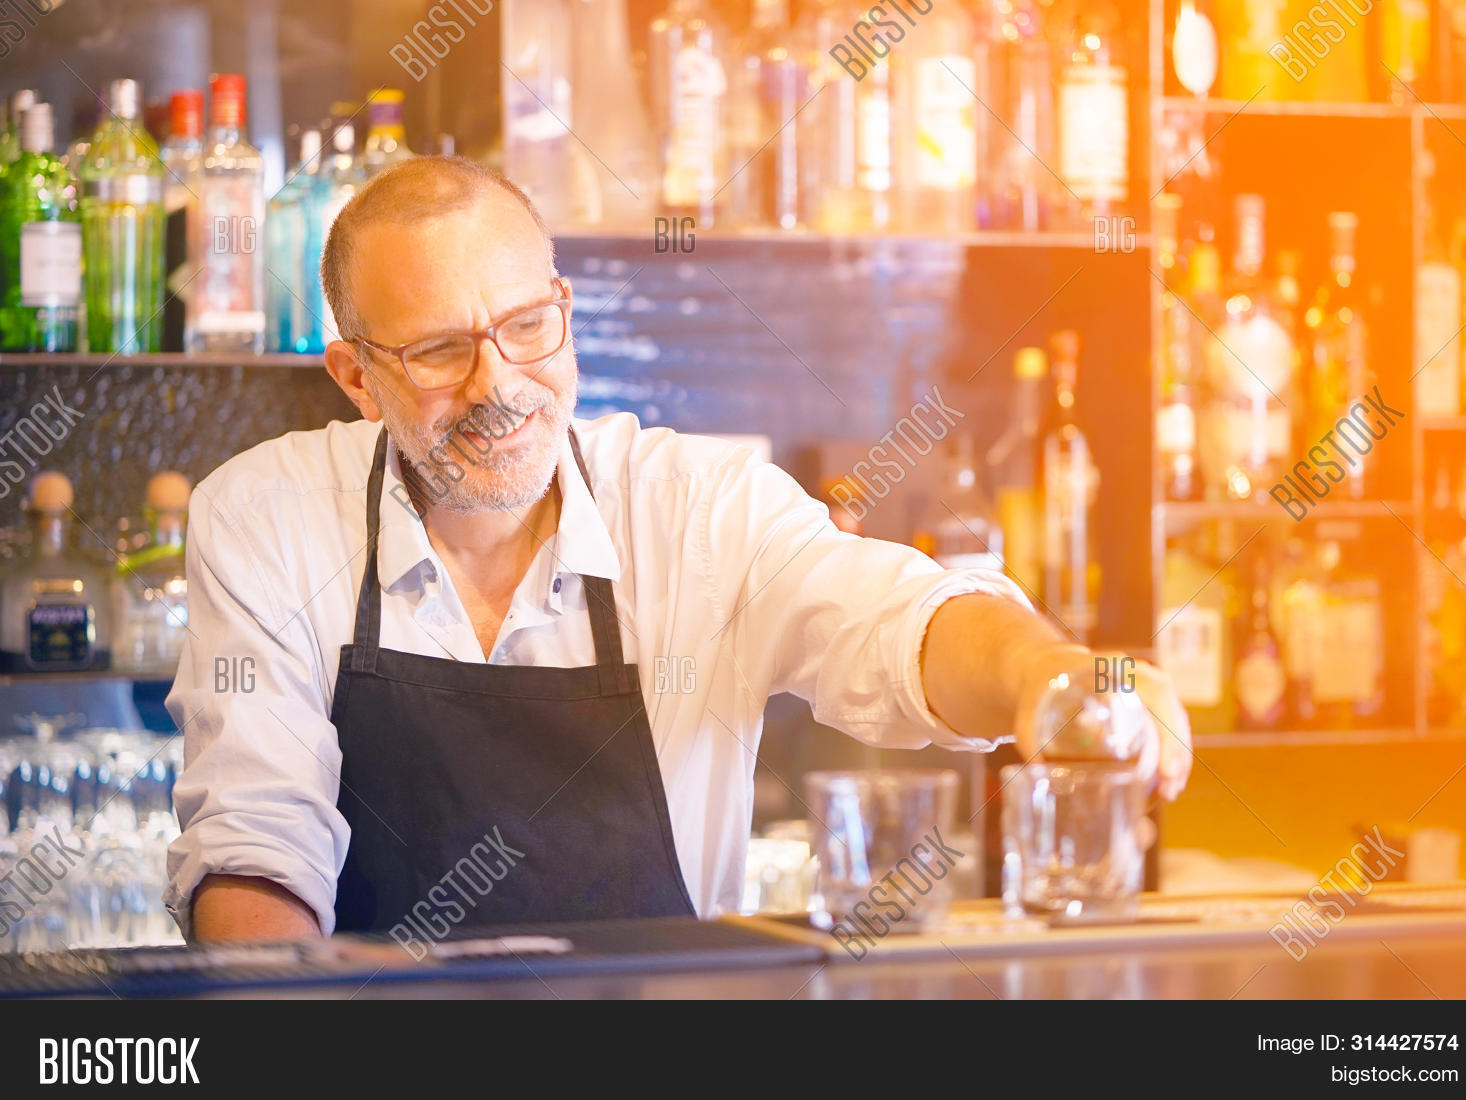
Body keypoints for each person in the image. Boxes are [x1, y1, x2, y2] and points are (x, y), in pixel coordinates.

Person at [165, 156, 1192, 942]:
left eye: (528, 326)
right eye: (440, 350)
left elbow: (899, 621)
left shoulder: (699, 506)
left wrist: (1052, 678)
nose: (499, 386)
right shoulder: (266, 517)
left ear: (565, 311)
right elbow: (257, 850)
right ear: (355, 377)